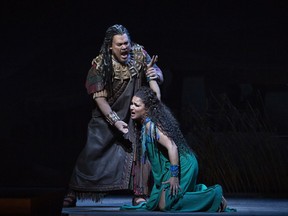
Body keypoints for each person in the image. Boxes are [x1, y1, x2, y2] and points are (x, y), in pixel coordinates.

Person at [63, 24, 163, 207]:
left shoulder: (139, 54)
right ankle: (74, 190)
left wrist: (153, 74)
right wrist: (115, 121)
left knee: (139, 152)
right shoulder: (100, 65)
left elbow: (155, 73)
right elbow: (99, 99)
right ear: (111, 46)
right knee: (92, 155)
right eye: (120, 44)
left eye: (127, 43)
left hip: (133, 114)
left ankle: (140, 193)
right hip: (106, 116)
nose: (125, 47)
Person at [121, 86, 236, 212]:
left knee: (165, 205)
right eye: (131, 104)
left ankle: (214, 196)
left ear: (147, 109)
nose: (132, 107)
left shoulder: (151, 126)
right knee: (158, 203)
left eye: (136, 105)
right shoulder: (145, 125)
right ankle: (201, 191)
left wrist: (174, 176)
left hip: (183, 165)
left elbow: (172, 146)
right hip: (177, 165)